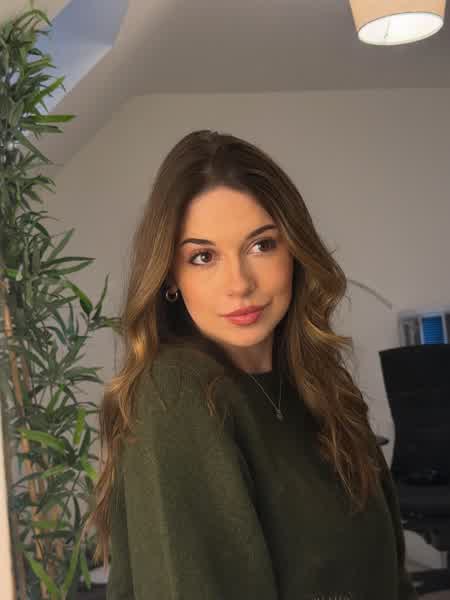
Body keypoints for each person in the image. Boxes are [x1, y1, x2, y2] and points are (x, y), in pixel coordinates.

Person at [85, 129, 418, 599]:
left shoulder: (322, 385)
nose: (239, 283)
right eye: (203, 257)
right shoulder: (176, 393)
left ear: (295, 252)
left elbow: (389, 575)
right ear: (171, 277)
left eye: (261, 245)